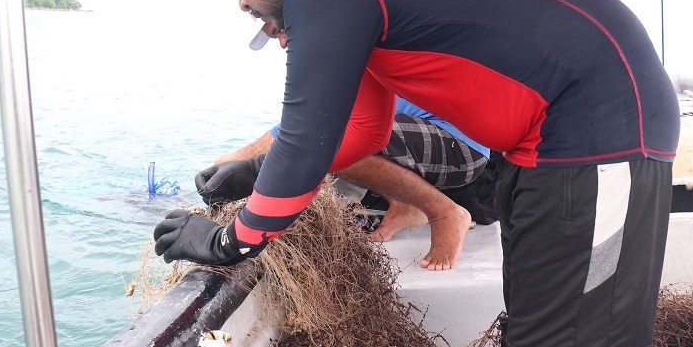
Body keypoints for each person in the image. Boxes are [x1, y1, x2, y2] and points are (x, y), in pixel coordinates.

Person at [153, 0, 679, 347]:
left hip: (596, 121)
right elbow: (364, 130)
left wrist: (228, 242)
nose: (242, 3)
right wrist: (256, 172)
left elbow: (304, 139)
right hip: (554, 136)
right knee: (536, 337)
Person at [201, 92, 493, 270]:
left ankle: (445, 212)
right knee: (332, 142)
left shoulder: (343, 57)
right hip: (427, 144)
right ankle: (407, 203)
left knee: (330, 145)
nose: (281, 41)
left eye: (280, 29)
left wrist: (238, 161)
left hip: (462, 146)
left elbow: (304, 130)